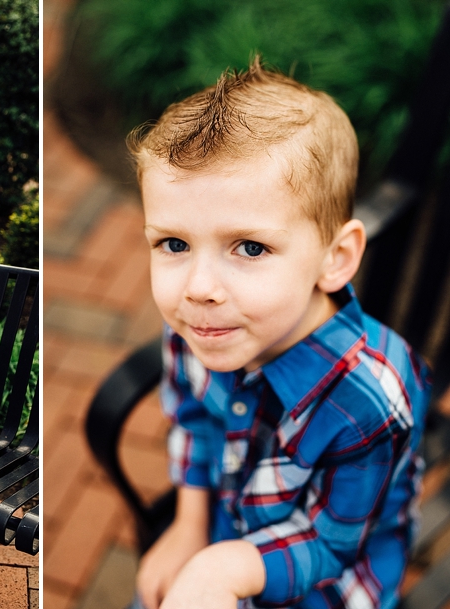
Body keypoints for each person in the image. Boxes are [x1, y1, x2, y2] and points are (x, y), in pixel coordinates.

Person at [129, 58, 431, 609]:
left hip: (326, 581)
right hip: (226, 518)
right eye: (173, 243)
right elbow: (194, 415)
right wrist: (191, 525)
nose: (199, 287)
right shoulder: (204, 324)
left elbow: (334, 541)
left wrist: (222, 570)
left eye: (250, 247)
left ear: (335, 259)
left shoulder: (371, 399)